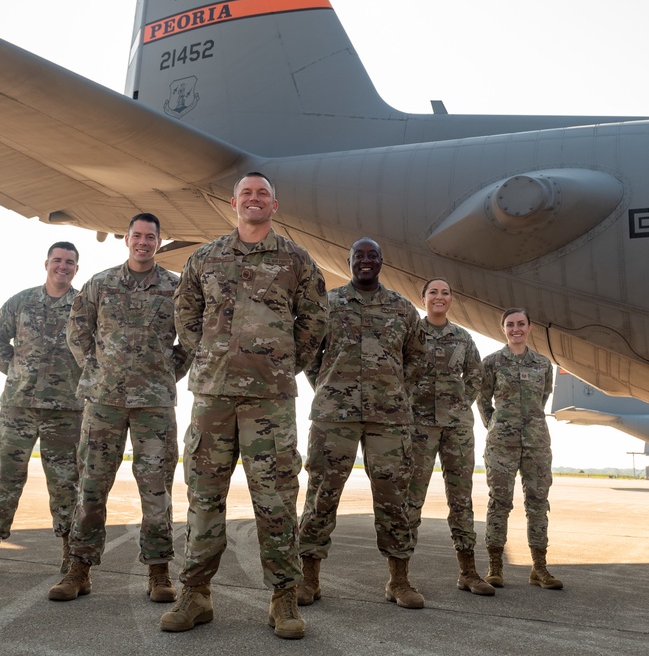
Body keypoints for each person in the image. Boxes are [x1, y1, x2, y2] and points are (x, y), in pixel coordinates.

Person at [162, 172, 327, 639]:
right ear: (234, 203)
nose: (254, 200)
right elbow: (186, 314)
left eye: (262, 194)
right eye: (246, 193)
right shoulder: (204, 257)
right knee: (203, 496)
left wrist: (281, 362)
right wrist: (212, 355)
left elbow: (315, 319)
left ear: (275, 204)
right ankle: (196, 595)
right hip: (213, 396)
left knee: (275, 499)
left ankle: (284, 599)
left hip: (269, 399)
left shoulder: (296, 259)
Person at [48, 213, 188, 603]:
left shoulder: (175, 289)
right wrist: (99, 371)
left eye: (151, 237)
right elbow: (77, 332)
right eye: (137, 235)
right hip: (104, 402)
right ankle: (79, 569)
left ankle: (159, 572)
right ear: (126, 239)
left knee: (156, 489)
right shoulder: (100, 284)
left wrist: (163, 375)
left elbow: (188, 342)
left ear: (159, 241)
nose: (144, 242)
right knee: (91, 488)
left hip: (154, 405)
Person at [295, 237, 425, 610]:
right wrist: (328, 385)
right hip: (334, 415)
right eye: (358, 256)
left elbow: (415, 359)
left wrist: (397, 390)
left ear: (382, 262)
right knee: (322, 494)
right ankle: (310, 579)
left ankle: (399, 581)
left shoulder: (402, 308)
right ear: (349, 262)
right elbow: (309, 354)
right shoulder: (329, 304)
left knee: (394, 498)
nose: (365, 261)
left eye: (371, 256)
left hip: (389, 418)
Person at [0, 242, 83, 576]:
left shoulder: (84, 305)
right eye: (57, 260)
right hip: (18, 406)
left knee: (66, 482)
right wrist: (15, 371)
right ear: (46, 264)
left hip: (66, 410)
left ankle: (71, 553)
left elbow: (98, 349)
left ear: (76, 268)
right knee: (3, 477)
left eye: (69, 262)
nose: (63, 266)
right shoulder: (21, 302)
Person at [405, 278, 495, 596]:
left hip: (457, 427)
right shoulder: (410, 334)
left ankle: (468, 573)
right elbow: (397, 371)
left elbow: (475, 374)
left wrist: (460, 402)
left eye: (445, 293)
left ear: (451, 301)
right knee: (411, 499)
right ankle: (399, 578)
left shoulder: (463, 337)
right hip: (419, 426)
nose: (439, 297)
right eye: (433, 292)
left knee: (461, 501)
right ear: (423, 298)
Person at [479, 308, 563, 590]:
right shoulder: (491, 362)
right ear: (503, 329)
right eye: (510, 324)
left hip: (537, 444)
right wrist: (497, 426)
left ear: (529, 328)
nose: (516, 329)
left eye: (521, 324)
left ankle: (539, 568)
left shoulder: (542, 364)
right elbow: (483, 400)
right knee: (499, 502)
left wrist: (529, 426)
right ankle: (495, 568)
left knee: (538, 504)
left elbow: (543, 397)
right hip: (501, 444)